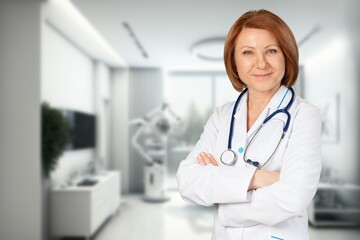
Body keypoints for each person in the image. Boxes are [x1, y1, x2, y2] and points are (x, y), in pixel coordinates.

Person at [176, 9, 321, 240]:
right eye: (247, 52)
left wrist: (224, 201)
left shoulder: (304, 115)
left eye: (271, 51)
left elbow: (293, 197)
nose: (260, 63)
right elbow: (187, 181)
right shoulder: (222, 116)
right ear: (234, 61)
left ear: (287, 56)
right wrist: (258, 178)